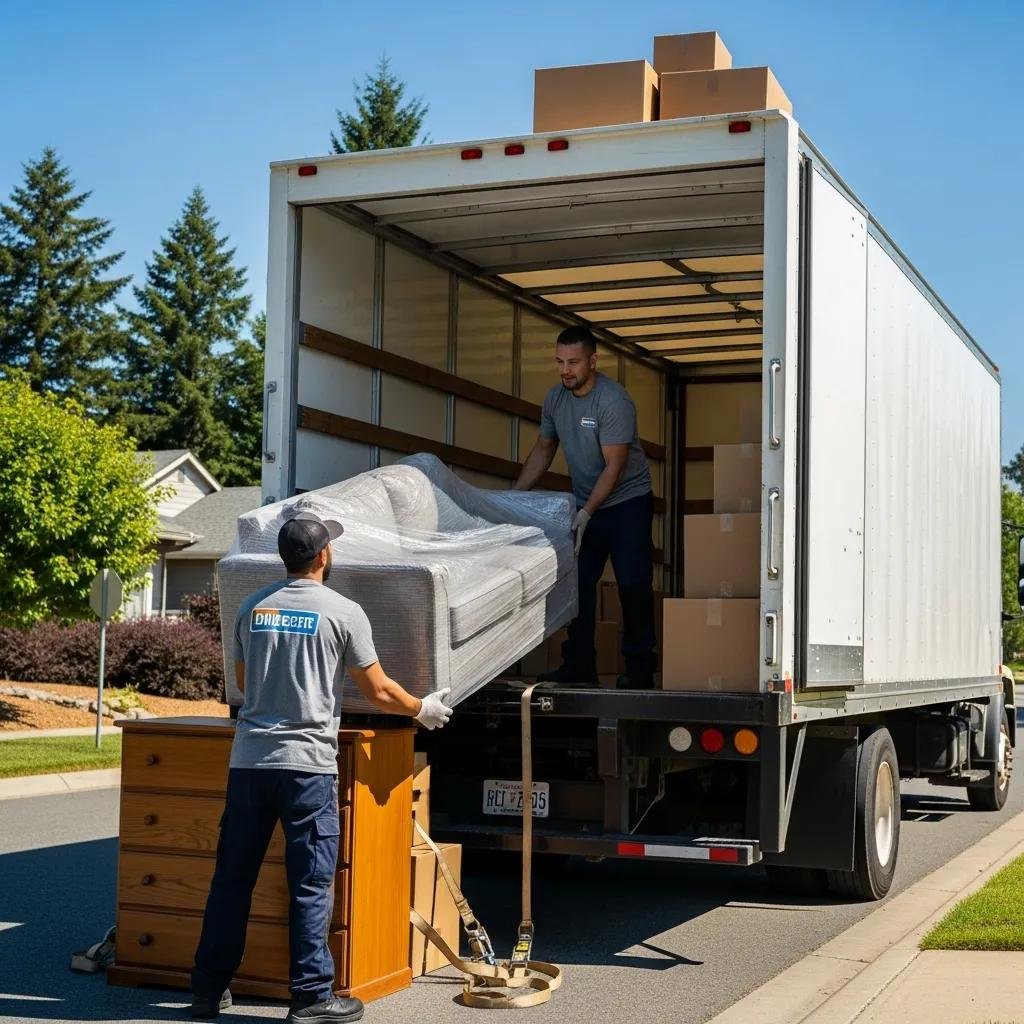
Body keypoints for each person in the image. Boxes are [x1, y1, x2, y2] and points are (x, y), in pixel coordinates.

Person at [189, 510, 453, 1023]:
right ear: (324, 556)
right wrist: (422, 709)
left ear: (283, 557)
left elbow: (243, 683)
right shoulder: (343, 611)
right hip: (307, 767)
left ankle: (206, 991)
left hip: (249, 763)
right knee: (310, 881)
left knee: (232, 879)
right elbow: (376, 689)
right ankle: (311, 997)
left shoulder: (251, 608)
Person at [515, 325, 657, 689]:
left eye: (574, 362)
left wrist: (586, 512)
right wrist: (513, 495)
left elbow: (615, 466)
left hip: (627, 503)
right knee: (577, 584)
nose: (566, 370)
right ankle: (579, 666)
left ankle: (640, 670)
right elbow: (544, 449)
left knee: (632, 585)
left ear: (593, 361)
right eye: (560, 362)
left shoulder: (613, 402)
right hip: (585, 504)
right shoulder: (555, 400)